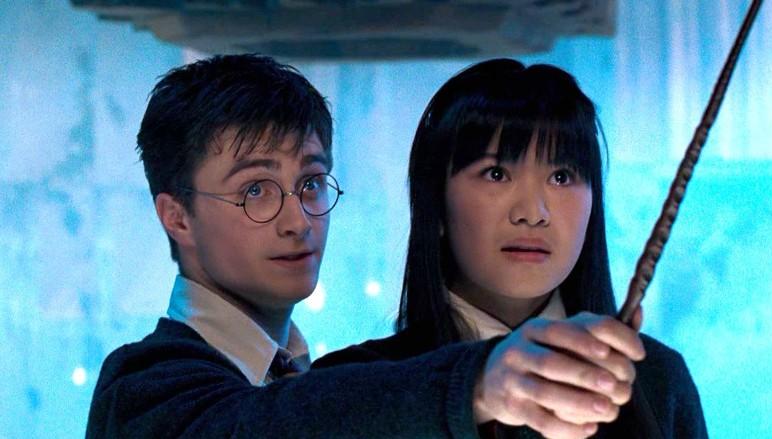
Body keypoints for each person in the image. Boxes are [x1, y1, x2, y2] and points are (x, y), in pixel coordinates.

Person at [86, 53, 634, 439]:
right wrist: (474, 382)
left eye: (310, 184)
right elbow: (255, 426)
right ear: (176, 216)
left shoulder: (317, 382)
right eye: (255, 190)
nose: (297, 221)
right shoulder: (143, 391)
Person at [315, 59, 707, 438]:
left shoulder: (657, 381)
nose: (532, 214)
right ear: (436, 202)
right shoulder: (351, 391)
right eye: (497, 173)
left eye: (561, 176)